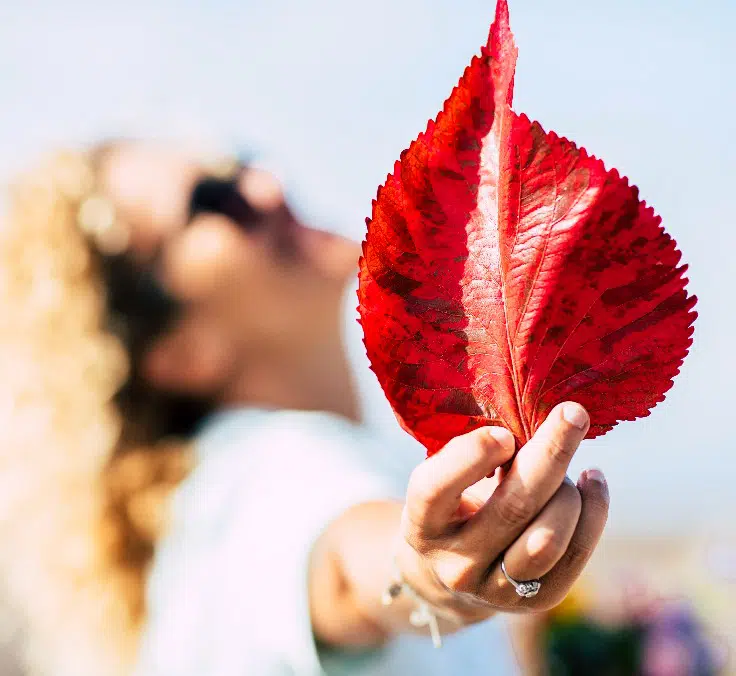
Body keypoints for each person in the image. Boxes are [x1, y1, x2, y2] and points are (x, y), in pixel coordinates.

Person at [0, 140, 610, 676]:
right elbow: (349, 567)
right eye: (215, 199)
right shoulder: (250, 485)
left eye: (237, 161)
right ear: (176, 350)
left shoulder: (199, 518)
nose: (267, 184)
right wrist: (425, 577)